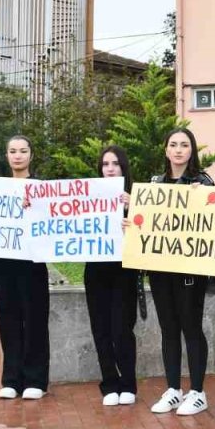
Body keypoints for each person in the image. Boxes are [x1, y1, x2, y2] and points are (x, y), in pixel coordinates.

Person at [147, 128, 215, 416]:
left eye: (184, 145)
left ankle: (198, 392)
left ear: (192, 150)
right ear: (165, 150)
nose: (178, 150)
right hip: (162, 270)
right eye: (173, 145)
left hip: (190, 271)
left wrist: (205, 198)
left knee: (191, 327)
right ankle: (174, 389)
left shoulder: (203, 182)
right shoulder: (155, 184)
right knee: (168, 329)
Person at [0, 135, 50, 400]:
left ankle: (36, 379)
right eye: (12, 151)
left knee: (35, 320)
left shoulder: (42, 188)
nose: (18, 155)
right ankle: (11, 378)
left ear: (31, 155)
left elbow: (53, 220)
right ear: (6, 156)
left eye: (23, 151)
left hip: (33, 262)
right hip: (3, 263)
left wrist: (36, 207)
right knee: (8, 320)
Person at [83, 145, 138, 406]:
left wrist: (135, 208)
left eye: (115, 163)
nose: (110, 168)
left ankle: (128, 383)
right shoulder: (88, 196)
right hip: (95, 270)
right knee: (101, 329)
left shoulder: (136, 196)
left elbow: (150, 234)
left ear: (123, 167)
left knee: (122, 329)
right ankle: (109, 384)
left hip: (124, 271)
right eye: (105, 164)